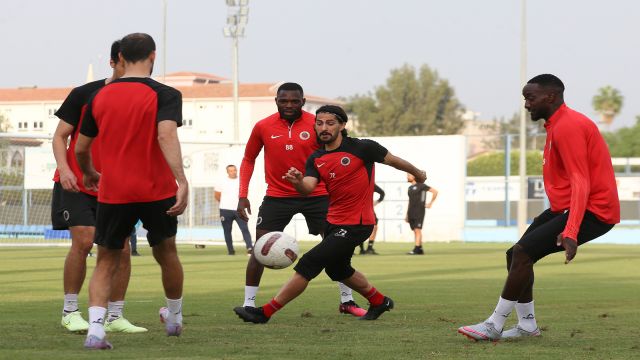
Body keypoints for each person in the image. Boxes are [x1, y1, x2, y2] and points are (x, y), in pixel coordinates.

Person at [458, 74, 620, 341]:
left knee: (522, 253)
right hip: (567, 208)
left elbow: (581, 181)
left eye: (530, 98)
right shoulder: (557, 124)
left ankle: (493, 324)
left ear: (551, 97)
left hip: (594, 211)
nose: (526, 105)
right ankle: (527, 326)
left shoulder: (568, 125)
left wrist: (571, 230)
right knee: (516, 255)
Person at [233, 105, 427, 323]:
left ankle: (265, 312)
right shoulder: (316, 158)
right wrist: (297, 181)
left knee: (309, 262)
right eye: (319, 123)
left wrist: (418, 173)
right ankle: (379, 301)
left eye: (330, 123)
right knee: (338, 270)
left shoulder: (363, 148)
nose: (324, 127)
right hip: (333, 222)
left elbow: (394, 160)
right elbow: (308, 187)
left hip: (358, 224)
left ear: (343, 125)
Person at [75, 33, 189, 349]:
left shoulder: (100, 96)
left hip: (115, 191)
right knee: (167, 253)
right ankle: (175, 319)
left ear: (120, 58)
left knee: (106, 260)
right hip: (157, 189)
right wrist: (182, 180)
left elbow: (81, 148)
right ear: (153, 56)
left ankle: (96, 331)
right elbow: (166, 136)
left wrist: (89, 173)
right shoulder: (166, 94)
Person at [236, 83, 365, 317]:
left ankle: (347, 300)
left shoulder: (316, 125)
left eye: (294, 101)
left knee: (336, 249)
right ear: (276, 101)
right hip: (277, 196)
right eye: (283, 101)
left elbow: (338, 153)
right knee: (259, 249)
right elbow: (248, 159)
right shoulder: (263, 126)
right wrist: (242, 195)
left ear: (303, 102)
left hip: (317, 194)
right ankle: (248, 303)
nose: (289, 105)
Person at [51, 40, 146, 334]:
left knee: (123, 250)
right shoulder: (84, 94)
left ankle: (115, 316)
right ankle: (70, 311)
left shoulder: (142, 97)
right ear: (115, 61)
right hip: (76, 183)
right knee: (84, 240)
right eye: (127, 64)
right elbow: (59, 137)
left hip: (116, 187)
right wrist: (65, 170)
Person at [215, 164, 252, 255]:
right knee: (227, 230)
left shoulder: (241, 181)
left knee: (244, 228)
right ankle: (230, 251)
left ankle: (250, 248)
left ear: (236, 171)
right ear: (227, 172)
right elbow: (217, 195)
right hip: (225, 210)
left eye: (234, 170)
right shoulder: (221, 181)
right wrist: (226, 203)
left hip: (239, 210)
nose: (233, 172)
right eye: (231, 171)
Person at [405, 173, 438, 255]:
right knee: (415, 230)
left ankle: (416, 248)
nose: (407, 177)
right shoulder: (409, 188)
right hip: (411, 212)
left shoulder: (422, 186)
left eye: (409, 175)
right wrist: (407, 214)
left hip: (419, 211)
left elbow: (435, 191)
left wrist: (430, 203)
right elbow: (410, 201)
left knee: (417, 229)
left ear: (414, 177)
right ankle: (420, 248)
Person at [359, 184, 384, 255]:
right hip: (358, 210)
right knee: (358, 228)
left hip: (367, 209)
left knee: (374, 226)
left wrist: (376, 202)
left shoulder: (369, 183)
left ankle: (367, 248)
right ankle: (363, 249)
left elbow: (382, 193)